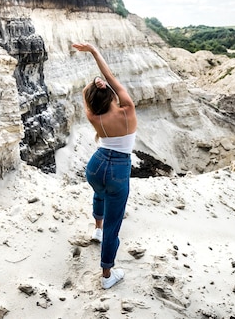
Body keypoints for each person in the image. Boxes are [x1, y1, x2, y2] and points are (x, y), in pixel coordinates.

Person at [72, 42, 137, 289]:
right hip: (118, 170)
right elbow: (111, 77)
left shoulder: (93, 115)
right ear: (113, 95)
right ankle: (107, 276)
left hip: (95, 165)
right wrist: (95, 54)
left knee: (99, 193)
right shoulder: (127, 111)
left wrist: (98, 86)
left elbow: (87, 96)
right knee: (115, 224)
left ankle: (96, 229)